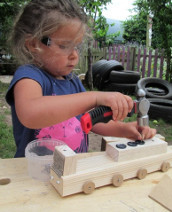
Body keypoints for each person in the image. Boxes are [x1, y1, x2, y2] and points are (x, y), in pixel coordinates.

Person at [6, 0, 156, 158]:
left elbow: (91, 120)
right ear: (33, 44)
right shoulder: (29, 76)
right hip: (37, 175)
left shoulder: (72, 81)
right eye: (64, 46)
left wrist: (124, 130)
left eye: (77, 46)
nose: (74, 55)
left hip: (73, 170)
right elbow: (31, 113)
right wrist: (95, 97)